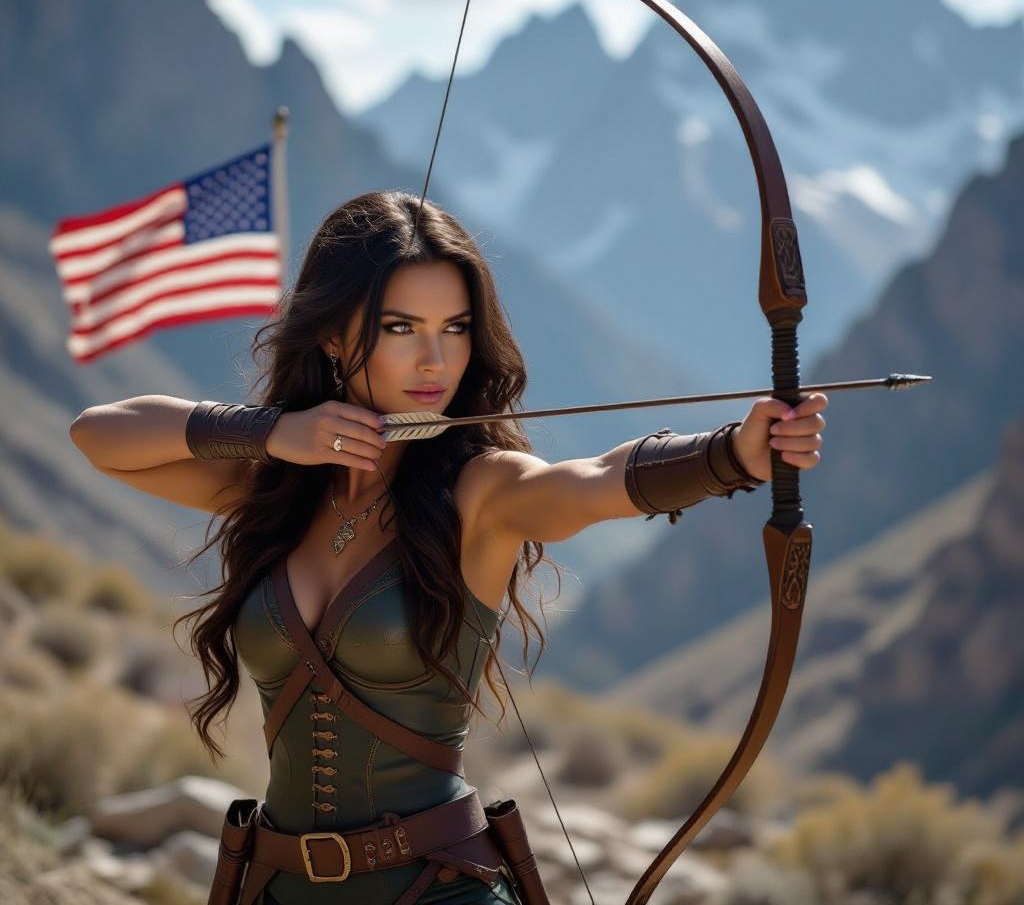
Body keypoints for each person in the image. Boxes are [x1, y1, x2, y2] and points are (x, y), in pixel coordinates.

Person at [69, 190, 828, 904]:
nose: (435, 361)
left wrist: (733, 455)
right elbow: (99, 435)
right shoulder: (276, 490)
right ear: (332, 336)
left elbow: (591, 482)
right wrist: (271, 433)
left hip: (438, 887)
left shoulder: (482, 490)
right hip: (279, 885)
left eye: (456, 328)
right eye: (401, 328)